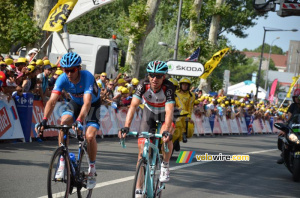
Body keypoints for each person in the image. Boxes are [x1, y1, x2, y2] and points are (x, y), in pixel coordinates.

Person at [35, 52, 101, 189]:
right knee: (63, 122)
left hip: (92, 105)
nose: (69, 73)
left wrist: (78, 120)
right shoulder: (62, 78)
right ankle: (62, 160)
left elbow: (87, 103)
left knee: (89, 136)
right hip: (75, 103)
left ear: (79, 69)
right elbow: (52, 101)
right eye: (66, 70)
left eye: (72, 70)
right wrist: (44, 120)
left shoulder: (87, 76)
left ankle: (92, 168)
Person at [118, 61, 175, 194]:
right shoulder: (143, 84)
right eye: (152, 75)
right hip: (149, 114)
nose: (155, 79)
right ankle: (138, 190)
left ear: (164, 77)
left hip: (164, 114)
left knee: (166, 136)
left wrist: (166, 130)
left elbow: (169, 110)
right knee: (142, 152)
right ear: (148, 75)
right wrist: (126, 126)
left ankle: (165, 164)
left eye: (159, 76)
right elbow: (133, 106)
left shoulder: (169, 87)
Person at [277, 89, 300, 164]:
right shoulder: (293, 106)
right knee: (282, 137)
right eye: (295, 97)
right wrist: (285, 126)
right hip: (293, 126)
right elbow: (289, 117)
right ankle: (283, 155)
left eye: (298, 97)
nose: (296, 98)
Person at [174, 77, 195, 144]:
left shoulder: (191, 95)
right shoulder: (175, 93)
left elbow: (190, 107)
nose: (185, 86)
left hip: (185, 114)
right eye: (183, 84)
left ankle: (183, 134)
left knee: (185, 122)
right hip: (175, 112)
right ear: (180, 85)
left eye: (186, 85)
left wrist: (189, 117)